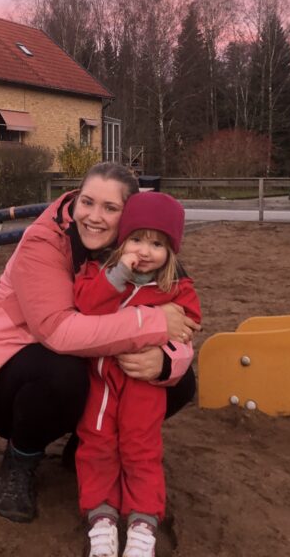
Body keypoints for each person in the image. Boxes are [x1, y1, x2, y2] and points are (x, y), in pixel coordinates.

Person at [0, 162, 202, 524]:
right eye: (87, 202)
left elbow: (184, 322)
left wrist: (166, 360)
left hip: (97, 369)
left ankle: (90, 443)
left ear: (130, 217)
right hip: (14, 372)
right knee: (61, 371)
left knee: (178, 379)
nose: (93, 216)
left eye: (110, 208)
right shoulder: (44, 241)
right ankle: (21, 457)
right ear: (74, 200)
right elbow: (57, 332)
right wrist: (151, 322)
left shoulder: (144, 248)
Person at [73, 192, 201, 557]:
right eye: (136, 239)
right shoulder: (102, 274)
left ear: (171, 251)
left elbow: (187, 330)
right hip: (102, 381)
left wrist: (164, 360)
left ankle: (143, 522)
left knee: (141, 448)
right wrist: (118, 274)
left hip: (144, 386)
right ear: (121, 240)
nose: (145, 251)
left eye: (157, 243)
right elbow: (85, 306)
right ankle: (102, 518)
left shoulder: (176, 288)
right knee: (96, 444)